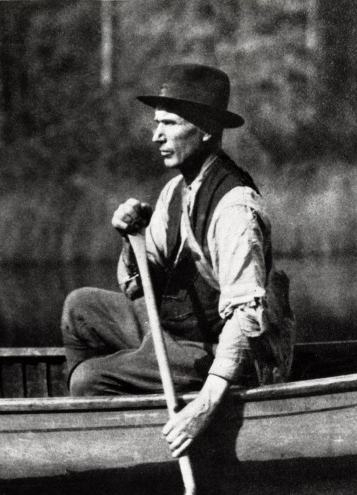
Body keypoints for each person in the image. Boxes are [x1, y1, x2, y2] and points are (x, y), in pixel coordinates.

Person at [61, 63, 294, 459]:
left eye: (169, 124)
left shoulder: (235, 209)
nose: (156, 136)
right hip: (175, 330)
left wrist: (203, 408)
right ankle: (110, 415)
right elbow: (138, 285)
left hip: (226, 351)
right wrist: (128, 237)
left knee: (86, 380)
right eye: (156, 123)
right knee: (79, 308)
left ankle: (122, 436)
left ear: (204, 130)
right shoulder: (175, 192)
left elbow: (246, 321)